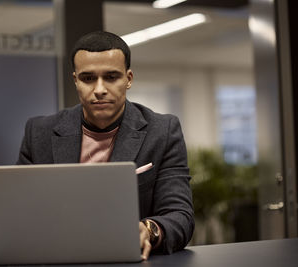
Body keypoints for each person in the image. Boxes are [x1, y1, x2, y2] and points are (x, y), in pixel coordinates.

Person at [17, 31, 194, 260]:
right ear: (75, 81)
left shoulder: (162, 131)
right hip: (57, 258)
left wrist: (148, 229)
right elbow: (21, 213)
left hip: (128, 259)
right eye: (88, 78)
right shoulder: (39, 132)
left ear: (128, 79)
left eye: (111, 77)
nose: (99, 89)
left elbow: (180, 216)